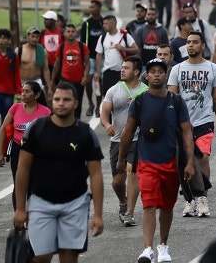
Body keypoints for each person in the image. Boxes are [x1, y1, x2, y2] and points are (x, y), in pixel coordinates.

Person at [13, 83, 104, 263]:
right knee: (41, 256)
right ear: (51, 101)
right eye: (57, 99)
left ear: (76, 103)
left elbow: (96, 174)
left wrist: (98, 214)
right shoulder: (37, 129)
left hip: (75, 203)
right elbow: (23, 168)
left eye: (66, 99)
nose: (61, 103)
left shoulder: (85, 133)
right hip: (40, 202)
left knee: (69, 257)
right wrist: (20, 208)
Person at [118, 58, 195, 262]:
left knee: (167, 207)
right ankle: (147, 249)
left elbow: (187, 131)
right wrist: (121, 158)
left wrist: (188, 162)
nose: (157, 75)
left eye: (160, 71)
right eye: (152, 71)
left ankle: (163, 245)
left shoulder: (176, 101)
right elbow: (128, 132)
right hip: (146, 162)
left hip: (171, 162)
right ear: (146, 75)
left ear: (165, 74)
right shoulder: (140, 101)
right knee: (149, 204)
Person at [168, 31, 216, 218]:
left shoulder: (213, 69)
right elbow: (171, 97)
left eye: (195, 42)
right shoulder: (177, 69)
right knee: (183, 163)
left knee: (202, 157)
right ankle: (190, 200)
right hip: (181, 123)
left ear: (203, 46)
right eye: (188, 42)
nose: (191, 45)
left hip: (204, 121)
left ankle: (202, 197)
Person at [101, 56, 148, 227]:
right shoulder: (114, 90)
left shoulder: (145, 91)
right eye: (122, 67)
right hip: (117, 140)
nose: (122, 70)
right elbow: (105, 113)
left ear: (136, 72)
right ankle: (123, 201)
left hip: (138, 139)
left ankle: (129, 212)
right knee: (118, 181)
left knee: (132, 171)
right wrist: (107, 125)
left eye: (126, 68)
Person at [0, 81, 51, 209]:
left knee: (34, 185)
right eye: (22, 91)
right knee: (19, 184)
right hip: (17, 151)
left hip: (37, 153)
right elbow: (3, 129)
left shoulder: (45, 111)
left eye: (27, 91)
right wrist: (0, 153)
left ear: (36, 95)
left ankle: (33, 218)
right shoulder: (15, 108)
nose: (23, 94)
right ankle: (19, 219)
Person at [94, 15, 139, 105]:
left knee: (122, 97)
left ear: (113, 24)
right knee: (107, 97)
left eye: (106, 23)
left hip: (122, 72)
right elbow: (99, 55)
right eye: (103, 23)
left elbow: (136, 49)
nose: (104, 26)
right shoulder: (102, 38)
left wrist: (123, 49)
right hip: (108, 72)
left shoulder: (124, 36)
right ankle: (109, 117)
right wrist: (97, 72)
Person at [51, 24, 90, 120]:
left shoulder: (82, 46)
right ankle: (64, 121)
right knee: (64, 101)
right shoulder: (61, 47)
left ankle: (76, 122)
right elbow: (57, 64)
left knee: (77, 102)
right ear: (64, 34)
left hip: (79, 81)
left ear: (76, 33)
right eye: (68, 31)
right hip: (65, 79)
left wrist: (85, 76)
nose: (70, 33)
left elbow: (87, 63)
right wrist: (52, 80)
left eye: (72, 31)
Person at [80, 0, 105, 118]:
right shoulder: (86, 24)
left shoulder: (104, 23)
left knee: (99, 82)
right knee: (88, 81)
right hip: (89, 58)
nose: (91, 9)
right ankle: (90, 104)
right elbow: (82, 43)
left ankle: (99, 106)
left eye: (93, 7)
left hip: (102, 57)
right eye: (89, 7)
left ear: (99, 8)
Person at [18, 27, 53, 101]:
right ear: (27, 36)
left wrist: (49, 88)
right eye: (32, 36)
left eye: (37, 37)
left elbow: (46, 70)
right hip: (23, 83)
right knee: (23, 107)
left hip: (37, 82)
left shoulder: (42, 51)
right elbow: (14, 70)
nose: (35, 39)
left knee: (40, 106)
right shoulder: (19, 50)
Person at [40, 11, 64, 76]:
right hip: (46, 66)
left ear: (53, 21)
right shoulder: (42, 33)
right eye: (44, 19)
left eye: (47, 20)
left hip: (59, 66)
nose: (44, 21)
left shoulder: (62, 33)